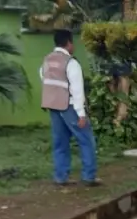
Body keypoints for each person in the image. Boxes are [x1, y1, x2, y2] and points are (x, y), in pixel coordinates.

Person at [39, 29, 99, 186]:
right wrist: (81, 114)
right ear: (68, 43)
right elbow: (77, 90)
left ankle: (60, 177)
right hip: (70, 106)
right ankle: (88, 177)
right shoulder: (71, 63)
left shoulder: (47, 60)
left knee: (60, 142)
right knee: (86, 140)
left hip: (53, 107)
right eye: (72, 42)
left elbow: (44, 78)